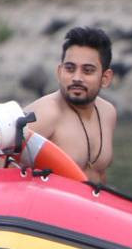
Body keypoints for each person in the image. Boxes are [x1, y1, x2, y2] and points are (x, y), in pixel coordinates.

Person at [26, 26, 118, 182]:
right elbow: (3, 171)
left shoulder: (107, 113)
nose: (77, 77)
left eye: (87, 70)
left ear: (105, 78)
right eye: (70, 69)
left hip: (92, 204)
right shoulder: (45, 114)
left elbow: (100, 176)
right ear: (59, 72)